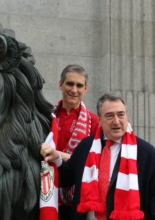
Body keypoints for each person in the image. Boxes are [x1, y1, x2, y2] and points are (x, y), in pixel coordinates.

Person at [41, 92, 155, 219]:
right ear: (100, 120)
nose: (116, 121)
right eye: (109, 116)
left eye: (121, 114)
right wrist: (56, 158)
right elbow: (68, 178)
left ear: (127, 117)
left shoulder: (146, 153)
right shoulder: (86, 146)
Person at [54, 64, 99, 219]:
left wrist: (57, 155)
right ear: (61, 84)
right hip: (47, 193)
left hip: (79, 197)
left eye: (79, 85)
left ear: (86, 89)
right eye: (70, 84)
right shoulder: (47, 117)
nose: (74, 90)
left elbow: (94, 160)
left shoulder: (94, 122)